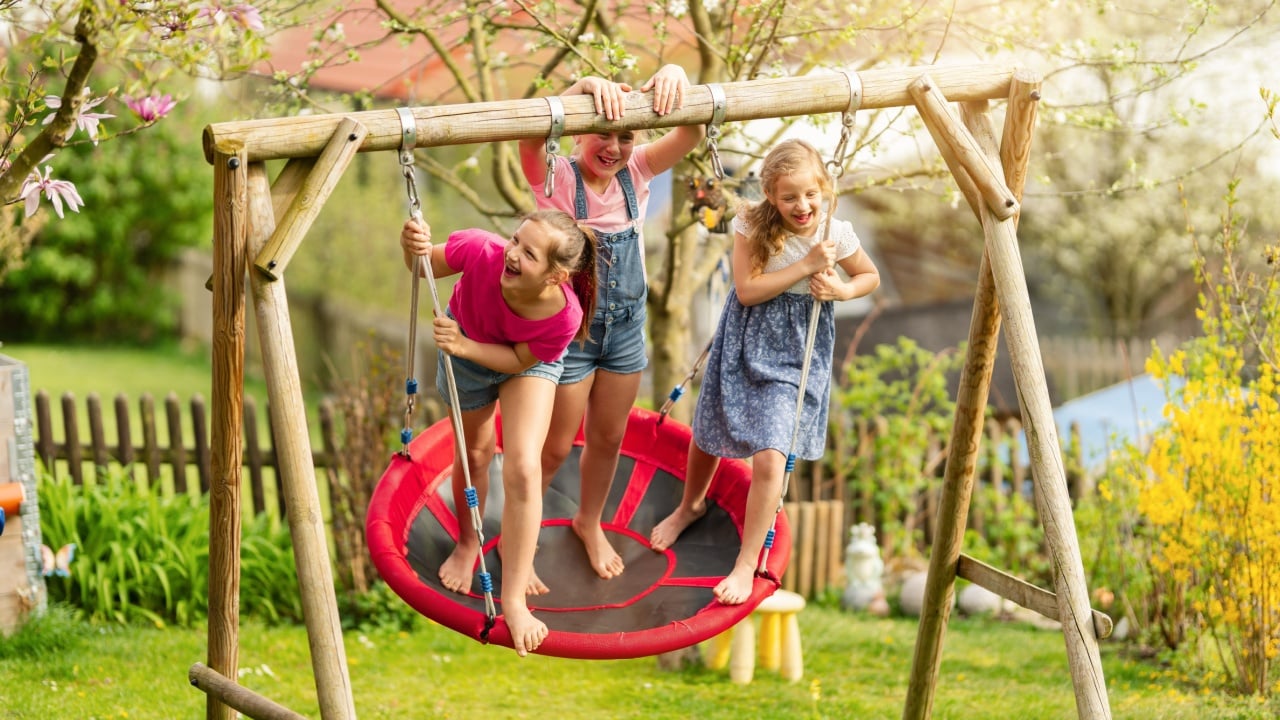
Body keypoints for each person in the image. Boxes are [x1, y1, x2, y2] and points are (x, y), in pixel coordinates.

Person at [648, 139, 880, 604]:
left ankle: (745, 562)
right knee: (709, 428)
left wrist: (840, 289)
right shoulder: (751, 223)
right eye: (790, 196)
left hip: (797, 354)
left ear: (825, 189)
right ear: (771, 195)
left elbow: (868, 276)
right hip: (746, 339)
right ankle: (689, 506)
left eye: (811, 194)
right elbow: (748, 290)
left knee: (771, 455)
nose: (803, 205)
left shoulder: (838, 231)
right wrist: (806, 265)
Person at [518, 65, 704, 582]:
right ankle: (522, 534)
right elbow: (529, 139)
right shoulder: (556, 179)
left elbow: (693, 132)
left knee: (607, 437)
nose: (614, 146)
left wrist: (675, 76)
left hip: (624, 333)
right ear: (578, 132)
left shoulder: (638, 173)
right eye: (603, 132)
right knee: (556, 445)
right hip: (571, 335)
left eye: (626, 136)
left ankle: (588, 520)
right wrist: (576, 90)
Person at [400, 209, 598, 655]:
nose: (512, 253)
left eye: (528, 254)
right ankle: (470, 541)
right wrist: (409, 243)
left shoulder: (565, 316)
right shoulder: (479, 251)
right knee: (475, 456)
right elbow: (420, 267)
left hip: (522, 361)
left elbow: (517, 361)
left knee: (525, 468)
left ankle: (513, 599)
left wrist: (464, 344)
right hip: (466, 357)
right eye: (515, 240)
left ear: (556, 275)